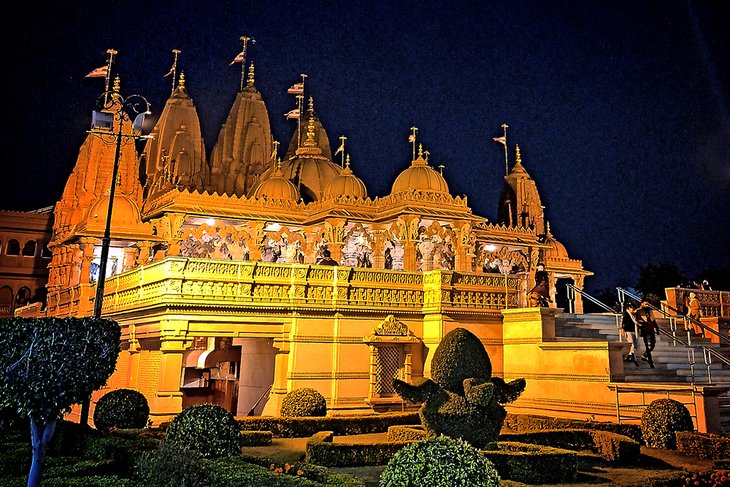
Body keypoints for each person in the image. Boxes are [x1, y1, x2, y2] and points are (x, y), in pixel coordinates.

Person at [634, 301, 660, 369]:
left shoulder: (650, 311)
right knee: (648, 347)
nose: (647, 305)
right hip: (645, 331)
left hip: (651, 330)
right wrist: (641, 326)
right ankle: (651, 363)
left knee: (653, 345)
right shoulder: (639, 311)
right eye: (645, 304)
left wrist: (657, 329)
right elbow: (636, 321)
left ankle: (644, 356)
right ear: (641, 304)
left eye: (648, 304)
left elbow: (653, 321)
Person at [621, 303, 640, 367]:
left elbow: (636, 322)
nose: (633, 310)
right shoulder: (626, 314)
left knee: (636, 345)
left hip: (633, 331)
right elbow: (623, 322)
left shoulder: (633, 315)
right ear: (629, 308)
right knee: (632, 344)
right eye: (632, 308)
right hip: (628, 331)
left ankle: (630, 356)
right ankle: (631, 357)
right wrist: (623, 330)